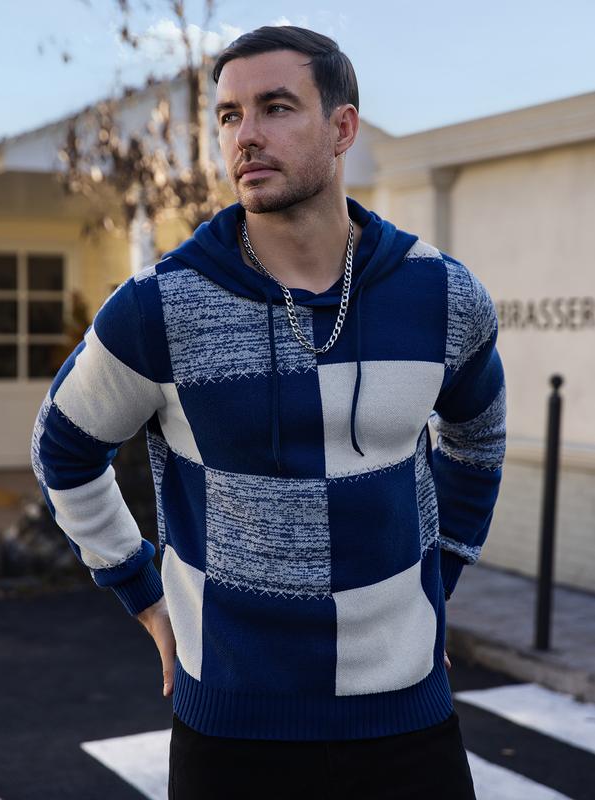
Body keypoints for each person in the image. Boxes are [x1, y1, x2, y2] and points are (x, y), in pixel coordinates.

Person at [30, 24, 506, 800]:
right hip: (231, 732)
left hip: (406, 720)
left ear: (342, 127)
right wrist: (143, 595)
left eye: (275, 107)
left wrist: (438, 581)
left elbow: (477, 440)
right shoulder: (159, 308)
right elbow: (62, 450)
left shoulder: (441, 295)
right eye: (228, 115)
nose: (245, 135)